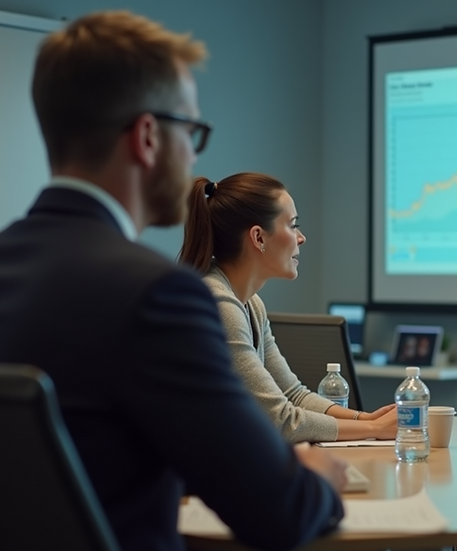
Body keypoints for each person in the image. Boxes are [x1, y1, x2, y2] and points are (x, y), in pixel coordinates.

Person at [0, 11, 346, 551]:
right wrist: (323, 479)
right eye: (191, 132)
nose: (193, 158)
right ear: (147, 138)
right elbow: (280, 511)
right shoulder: (158, 296)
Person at [179, 172, 397, 443]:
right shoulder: (218, 304)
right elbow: (280, 421)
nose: (302, 238)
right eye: (293, 225)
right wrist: (375, 430)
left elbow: (293, 395)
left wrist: (368, 419)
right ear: (258, 238)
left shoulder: (251, 305)